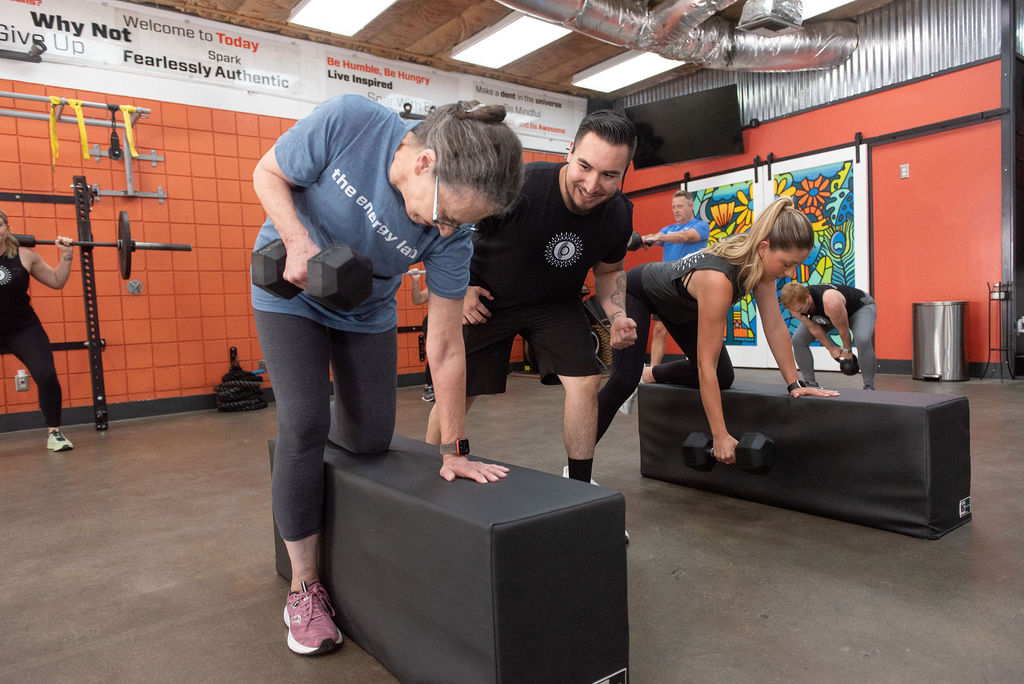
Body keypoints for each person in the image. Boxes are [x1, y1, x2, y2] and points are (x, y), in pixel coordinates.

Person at [251, 95, 524, 656]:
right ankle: (305, 589)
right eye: (447, 214)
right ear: (425, 163)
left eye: (461, 224)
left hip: (364, 308)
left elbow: (446, 347)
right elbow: (268, 173)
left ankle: (324, 412)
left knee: (370, 438)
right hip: (290, 285)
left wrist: (454, 448)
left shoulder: (454, 238)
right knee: (301, 424)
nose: (447, 230)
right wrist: (299, 239)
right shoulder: (354, 122)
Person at [425, 109, 639, 487]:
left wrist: (617, 314)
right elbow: (451, 229)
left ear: (625, 172)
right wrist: (463, 289)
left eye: (609, 175)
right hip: (488, 298)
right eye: (585, 167)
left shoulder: (619, 215)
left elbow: (608, 270)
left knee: (586, 381)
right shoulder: (519, 186)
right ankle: (430, 472)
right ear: (569, 151)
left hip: (555, 304)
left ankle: (578, 483)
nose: (592, 185)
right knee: (456, 388)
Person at [596, 197, 838, 464]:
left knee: (724, 376)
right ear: (764, 247)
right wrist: (720, 435)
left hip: (681, 306)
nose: (792, 274)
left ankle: (648, 374)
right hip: (643, 290)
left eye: (796, 265)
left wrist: (795, 384)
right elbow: (704, 367)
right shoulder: (719, 280)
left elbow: (774, 325)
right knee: (622, 380)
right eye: (787, 264)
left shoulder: (759, 262)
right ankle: (576, 467)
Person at [0, 208, 75, 452]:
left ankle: (54, 433)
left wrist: (66, 256)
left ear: (7, 229)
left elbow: (56, 281)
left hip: (22, 327)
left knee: (46, 375)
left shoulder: (25, 256)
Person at [641, 190, 710, 366]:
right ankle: (653, 373)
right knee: (659, 329)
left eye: (679, 206)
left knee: (697, 329)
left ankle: (701, 366)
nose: (676, 210)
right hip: (666, 286)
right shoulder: (668, 229)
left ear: (690, 206)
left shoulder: (701, 226)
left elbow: (685, 237)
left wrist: (659, 237)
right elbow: (654, 239)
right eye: (673, 207)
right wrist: (644, 240)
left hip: (689, 285)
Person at [779, 281, 878, 390]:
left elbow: (843, 329)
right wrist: (830, 348)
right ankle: (810, 383)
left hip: (858, 308)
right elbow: (814, 328)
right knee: (798, 340)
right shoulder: (795, 307)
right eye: (795, 311)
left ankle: (869, 386)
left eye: (801, 309)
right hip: (829, 316)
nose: (798, 312)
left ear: (808, 297)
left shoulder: (830, 301)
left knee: (862, 339)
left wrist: (847, 351)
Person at [409, 270, 434, 401]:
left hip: (456, 321)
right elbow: (417, 299)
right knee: (437, 352)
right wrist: (416, 281)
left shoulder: (461, 282)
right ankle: (430, 386)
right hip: (433, 322)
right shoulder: (437, 284)